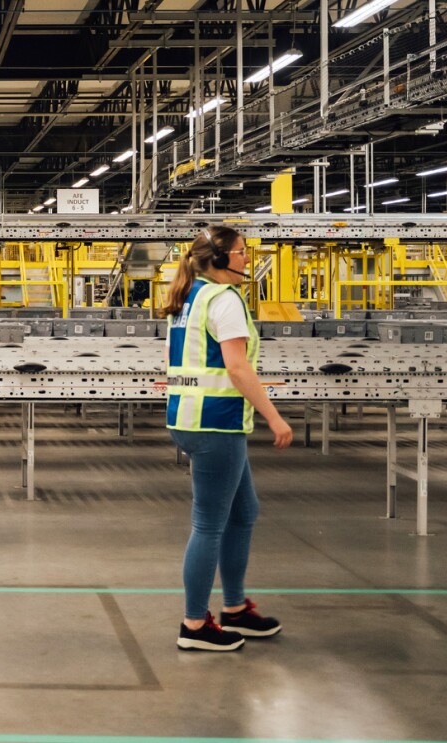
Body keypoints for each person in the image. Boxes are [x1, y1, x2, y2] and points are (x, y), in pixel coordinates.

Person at [160, 226, 290, 652]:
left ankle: (235, 610)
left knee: (243, 511)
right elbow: (236, 369)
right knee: (209, 523)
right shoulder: (225, 301)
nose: (247, 259)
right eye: (240, 252)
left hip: (191, 418)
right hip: (215, 423)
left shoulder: (192, 296)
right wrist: (274, 417)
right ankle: (195, 624)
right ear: (218, 260)